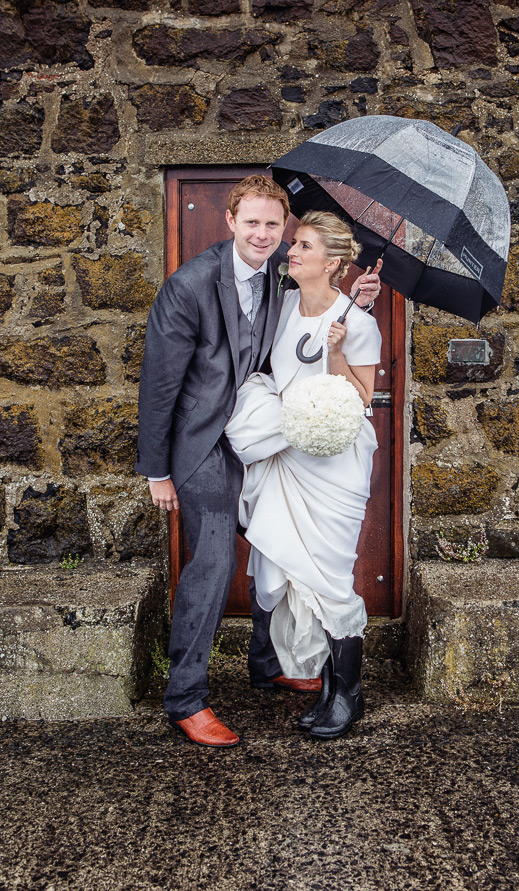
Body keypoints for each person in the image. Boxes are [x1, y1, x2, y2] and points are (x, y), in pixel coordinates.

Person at [136, 176, 381, 748]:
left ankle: (268, 663)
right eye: (254, 223)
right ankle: (186, 699)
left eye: (276, 225)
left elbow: (319, 304)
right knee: (215, 562)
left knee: (276, 547)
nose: (266, 235)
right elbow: (158, 383)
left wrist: (353, 300)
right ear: (230, 221)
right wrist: (156, 470)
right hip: (204, 444)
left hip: (268, 441)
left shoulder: (280, 278)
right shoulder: (190, 285)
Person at [226, 211, 381, 740]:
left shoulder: (359, 322)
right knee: (279, 561)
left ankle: (347, 694)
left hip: (334, 464)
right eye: (293, 243)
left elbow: (361, 399)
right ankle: (307, 678)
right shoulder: (283, 302)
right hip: (285, 455)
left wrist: (337, 349)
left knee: (331, 575)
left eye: (303, 246)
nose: (290, 251)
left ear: (332, 263)